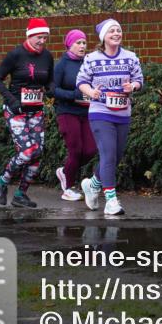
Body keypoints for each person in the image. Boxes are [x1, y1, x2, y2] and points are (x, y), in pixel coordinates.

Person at [77, 19, 144, 216]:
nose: (116, 34)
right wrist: (91, 92)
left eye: (118, 30)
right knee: (107, 154)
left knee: (115, 156)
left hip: (122, 112)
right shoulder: (92, 58)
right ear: (103, 37)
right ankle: (111, 201)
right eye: (112, 31)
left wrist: (133, 87)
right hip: (100, 112)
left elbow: (139, 80)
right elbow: (81, 81)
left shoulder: (130, 57)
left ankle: (92, 185)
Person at [0, 17, 54, 208]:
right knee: (27, 152)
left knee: (38, 153)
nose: (42, 41)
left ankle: (20, 194)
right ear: (30, 35)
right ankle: (1, 181)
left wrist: (50, 89)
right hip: (15, 111)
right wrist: (12, 100)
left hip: (36, 111)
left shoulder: (47, 56)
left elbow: (49, 79)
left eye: (45, 37)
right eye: (39, 37)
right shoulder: (15, 55)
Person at [52, 29, 96, 201]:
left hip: (87, 111)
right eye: (78, 42)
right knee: (76, 150)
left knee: (91, 150)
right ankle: (68, 188)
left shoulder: (88, 63)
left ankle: (64, 171)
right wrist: (73, 95)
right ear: (70, 44)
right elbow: (52, 90)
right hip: (67, 112)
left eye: (84, 42)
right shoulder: (62, 65)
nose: (82, 46)